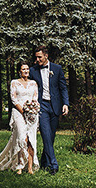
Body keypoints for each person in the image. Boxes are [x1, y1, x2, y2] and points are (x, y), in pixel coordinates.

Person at [0, 62, 39, 174]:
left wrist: (32, 110)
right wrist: (23, 111)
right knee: (21, 138)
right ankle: (19, 165)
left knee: (31, 140)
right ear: (19, 71)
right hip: (19, 113)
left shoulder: (33, 83)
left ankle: (29, 167)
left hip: (31, 114)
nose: (26, 71)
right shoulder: (14, 82)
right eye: (23, 69)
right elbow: (13, 99)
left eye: (27, 69)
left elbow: (35, 98)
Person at [29, 45, 69, 175]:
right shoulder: (33, 70)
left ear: (46, 56)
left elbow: (63, 88)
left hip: (55, 106)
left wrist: (66, 104)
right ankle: (53, 164)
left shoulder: (57, 69)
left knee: (51, 136)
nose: (37, 60)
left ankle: (44, 161)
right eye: (36, 57)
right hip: (42, 106)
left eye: (40, 57)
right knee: (46, 134)